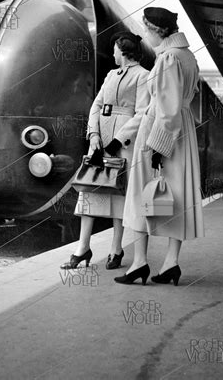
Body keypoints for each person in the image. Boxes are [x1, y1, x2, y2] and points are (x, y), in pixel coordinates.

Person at [114, 7, 204, 286]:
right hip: (184, 130)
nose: (145, 35)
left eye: (147, 29)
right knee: (176, 196)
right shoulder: (187, 56)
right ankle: (170, 264)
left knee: (142, 194)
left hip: (160, 130)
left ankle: (139, 263)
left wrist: (157, 147)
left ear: (157, 30)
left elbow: (166, 108)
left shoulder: (167, 59)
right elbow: (181, 102)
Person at [60, 31, 150, 270]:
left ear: (123, 51)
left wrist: (119, 140)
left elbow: (142, 113)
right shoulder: (111, 75)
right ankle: (83, 247)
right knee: (89, 192)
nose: (112, 53)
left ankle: (116, 248)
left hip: (122, 147)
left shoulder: (144, 76)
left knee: (118, 195)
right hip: (99, 144)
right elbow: (96, 106)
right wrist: (93, 135)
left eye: (114, 49)